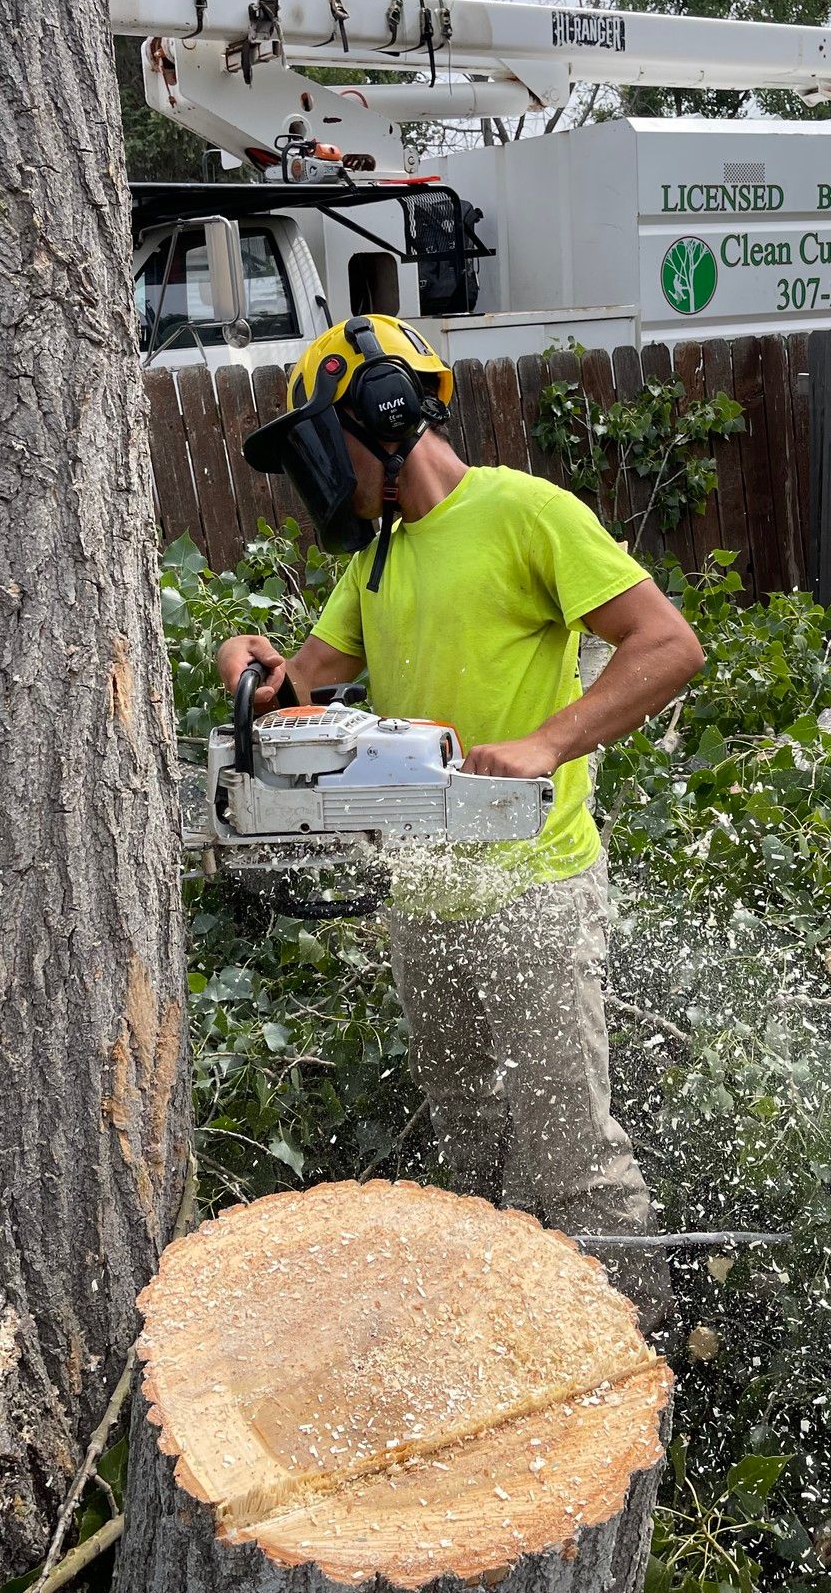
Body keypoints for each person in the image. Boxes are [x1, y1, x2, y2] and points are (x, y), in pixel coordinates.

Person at [216, 315, 704, 1334]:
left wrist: (548, 741)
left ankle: (645, 1364)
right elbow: (302, 687)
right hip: (426, 890)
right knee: (472, 1141)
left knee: (571, 1152)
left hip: (534, 883)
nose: (319, 476)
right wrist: (250, 667)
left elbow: (666, 644)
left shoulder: (527, 512)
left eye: (321, 445)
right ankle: (505, 1337)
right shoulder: (379, 558)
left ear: (382, 412)